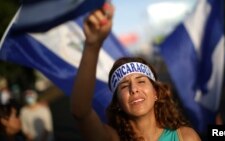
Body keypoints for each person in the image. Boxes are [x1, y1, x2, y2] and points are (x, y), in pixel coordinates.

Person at [71, 3, 201, 141]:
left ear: (156, 93)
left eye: (141, 81)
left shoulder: (186, 137)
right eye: (124, 85)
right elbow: (81, 112)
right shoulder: (112, 138)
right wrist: (92, 45)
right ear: (118, 103)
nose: (134, 89)